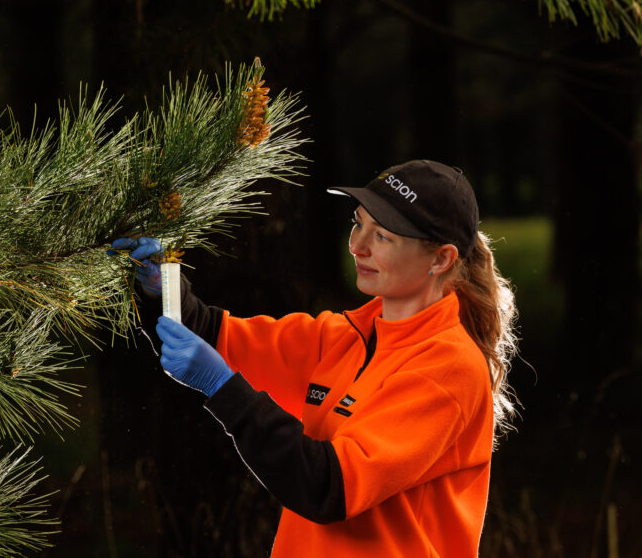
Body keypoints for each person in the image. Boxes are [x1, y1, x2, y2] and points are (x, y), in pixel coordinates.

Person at [109, 159, 518, 557]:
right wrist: (161, 291)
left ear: (441, 258)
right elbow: (217, 336)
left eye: (383, 237)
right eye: (358, 223)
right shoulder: (346, 336)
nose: (357, 246)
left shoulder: (447, 368)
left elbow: (327, 487)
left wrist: (222, 388)